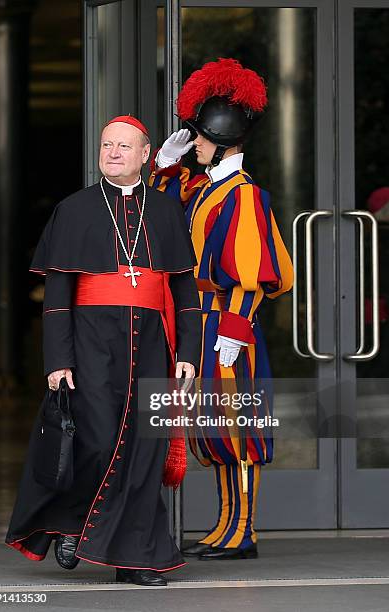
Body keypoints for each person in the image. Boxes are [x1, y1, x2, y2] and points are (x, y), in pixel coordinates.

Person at [5, 115, 202, 587]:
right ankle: (73, 523)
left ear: (144, 155)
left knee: (144, 450)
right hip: (91, 342)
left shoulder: (166, 209)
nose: (112, 152)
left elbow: (185, 290)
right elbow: (57, 295)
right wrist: (58, 362)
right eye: (106, 145)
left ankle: (135, 558)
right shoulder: (73, 210)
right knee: (95, 442)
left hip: (154, 341)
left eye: (122, 146)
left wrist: (189, 352)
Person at [150, 58, 294, 560]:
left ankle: (243, 532)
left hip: (227, 326)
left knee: (237, 431)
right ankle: (226, 527)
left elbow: (250, 271)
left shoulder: (243, 194)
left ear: (219, 135)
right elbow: (166, 213)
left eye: (198, 135)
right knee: (215, 430)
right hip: (204, 324)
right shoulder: (207, 188)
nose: (194, 144)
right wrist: (166, 167)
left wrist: (233, 329)